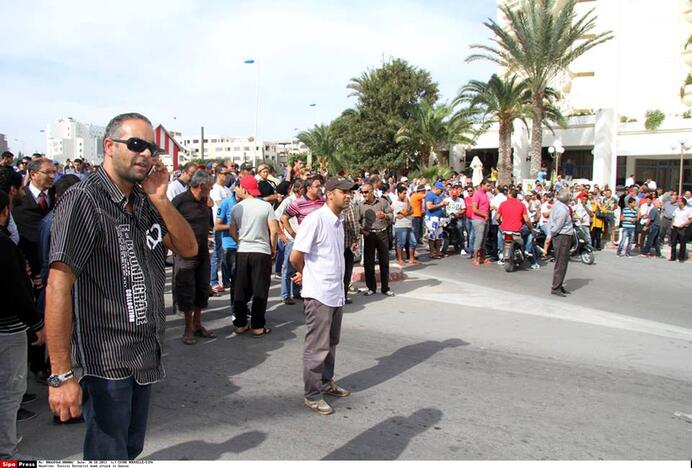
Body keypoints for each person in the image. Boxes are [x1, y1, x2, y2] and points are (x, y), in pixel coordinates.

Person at [45, 112, 197, 460]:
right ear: (109, 147)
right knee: (106, 453)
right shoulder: (84, 200)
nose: (146, 154)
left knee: (128, 449)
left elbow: (189, 249)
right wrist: (60, 375)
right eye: (136, 145)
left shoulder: (145, 200)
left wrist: (160, 199)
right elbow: (58, 286)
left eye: (151, 148)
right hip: (105, 359)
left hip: (144, 354)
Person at [290, 176, 356, 416]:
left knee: (331, 343)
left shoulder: (338, 222)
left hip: (336, 293)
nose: (348, 195)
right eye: (344, 191)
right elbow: (296, 256)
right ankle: (312, 394)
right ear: (330, 194)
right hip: (319, 295)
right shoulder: (315, 220)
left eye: (350, 192)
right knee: (317, 347)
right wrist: (305, 275)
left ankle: (327, 383)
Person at [0, 190, 45, 460]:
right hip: (8, 328)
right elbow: (16, 290)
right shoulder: (4, 246)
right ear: (5, 211)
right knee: (9, 391)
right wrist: (36, 322)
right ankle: (6, 454)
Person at [228, 175, 282, 336]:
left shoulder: (237, 208)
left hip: (243, 251)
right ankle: (257, 326)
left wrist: (241, 240)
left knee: (240, 288)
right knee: (260, 288)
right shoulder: (266, 206)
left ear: (244, 189)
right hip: (261, 251)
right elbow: (274, 231)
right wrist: (273, 248)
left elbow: (232, 230)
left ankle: (240, 323)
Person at [172, 170, 215, 345]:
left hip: (203, 252)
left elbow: (208, 224)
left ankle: (197, 325)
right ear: (202, 185)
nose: (211, 189)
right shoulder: (180, 201)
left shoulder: (205, 201)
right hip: (185, 255)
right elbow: (167, 223)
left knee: (202, 290)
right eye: (210, 186)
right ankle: (187, 328)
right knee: (187, 291)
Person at [355, 183, 394, 297]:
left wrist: (385, 216)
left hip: (382, 233)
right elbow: (356, 221)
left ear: (372, 191)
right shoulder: (361, 206)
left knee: (384, 261)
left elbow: (392, 216)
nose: (364, 194)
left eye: (366, 192)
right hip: (369, 235)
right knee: (368, 263)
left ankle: (385, 288)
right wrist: (362, 231)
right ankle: (371, 287)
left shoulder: (382, 202)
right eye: (362, 192)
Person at [497, 188, 539, 269]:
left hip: (505, 230)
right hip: (517, 230)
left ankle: (500, 249)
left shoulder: (503, 204)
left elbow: (497, 218)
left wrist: (501, 224)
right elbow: (526, 220)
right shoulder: (521, 205)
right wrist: (531, 228)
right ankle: (527, 250)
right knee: (530, 233)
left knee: (499, 231)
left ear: (509, 195)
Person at [546, 188, 574, 297]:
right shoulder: (562, 210)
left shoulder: (557, 206)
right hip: (562, 236)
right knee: (561, 263)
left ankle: (559, 284)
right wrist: (551, 234)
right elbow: (558, 225)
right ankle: (556, 287)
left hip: (560, 236)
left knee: (561, 262)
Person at [209, 166, 232, 294]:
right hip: (219, 225)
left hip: (228, 226)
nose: (227, 176)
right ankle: (213, 281)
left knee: (225, 254)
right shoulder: (215, 189)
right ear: (218, 174)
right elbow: (220, 204)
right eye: (225, 173)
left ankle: (225, 279)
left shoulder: (227, 189)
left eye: (228, 173)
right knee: (217, 255)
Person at [392, 184, 417, 265]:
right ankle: (400, 259)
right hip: (400, 226)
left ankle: (411, 259)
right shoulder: (396, 203)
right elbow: (405, 211)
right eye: (403, 193)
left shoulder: (407, 202)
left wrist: (404, 214)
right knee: (401, 243)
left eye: (406, 193)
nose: (405, 195)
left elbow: (412, 211)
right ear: (398, 193)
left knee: (413, 242)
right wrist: (406, 208)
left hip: (409, 224)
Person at [424, 182, 448, 259]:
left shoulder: (438, 196)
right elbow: (429, 206)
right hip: (431, 218)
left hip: (438, 218)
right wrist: (441, 204)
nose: (441, 192)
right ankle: (432, 252)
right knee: (432, 235)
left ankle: (438, 251)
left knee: (439, 236)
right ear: (436, 189)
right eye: (441, 190)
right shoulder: (430, 195)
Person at [470, 179, 492, 266]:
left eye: (489, 186)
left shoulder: (485, 194)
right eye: (487, 185)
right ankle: (475, 258)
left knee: (483, 239)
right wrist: (484, 215)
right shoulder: (477, 194)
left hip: (485, 219)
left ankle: (482, 258)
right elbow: (474, 209)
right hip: (478, 219)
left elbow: (485, 207)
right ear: (482, 185)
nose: (489, 187)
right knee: (478, 239)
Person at [669, 196, 691, 262]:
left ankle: (681, 258)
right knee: (673, 243)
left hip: (683, 228)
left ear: (683, 203)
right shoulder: (677, 209)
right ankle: (673, 257)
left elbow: (690, 220)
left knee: (682, 243)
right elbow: (673, 216)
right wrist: (672, 224)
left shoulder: (688, 210)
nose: (678, 202)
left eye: (679, 201)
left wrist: (684, 224)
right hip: (675, 227)